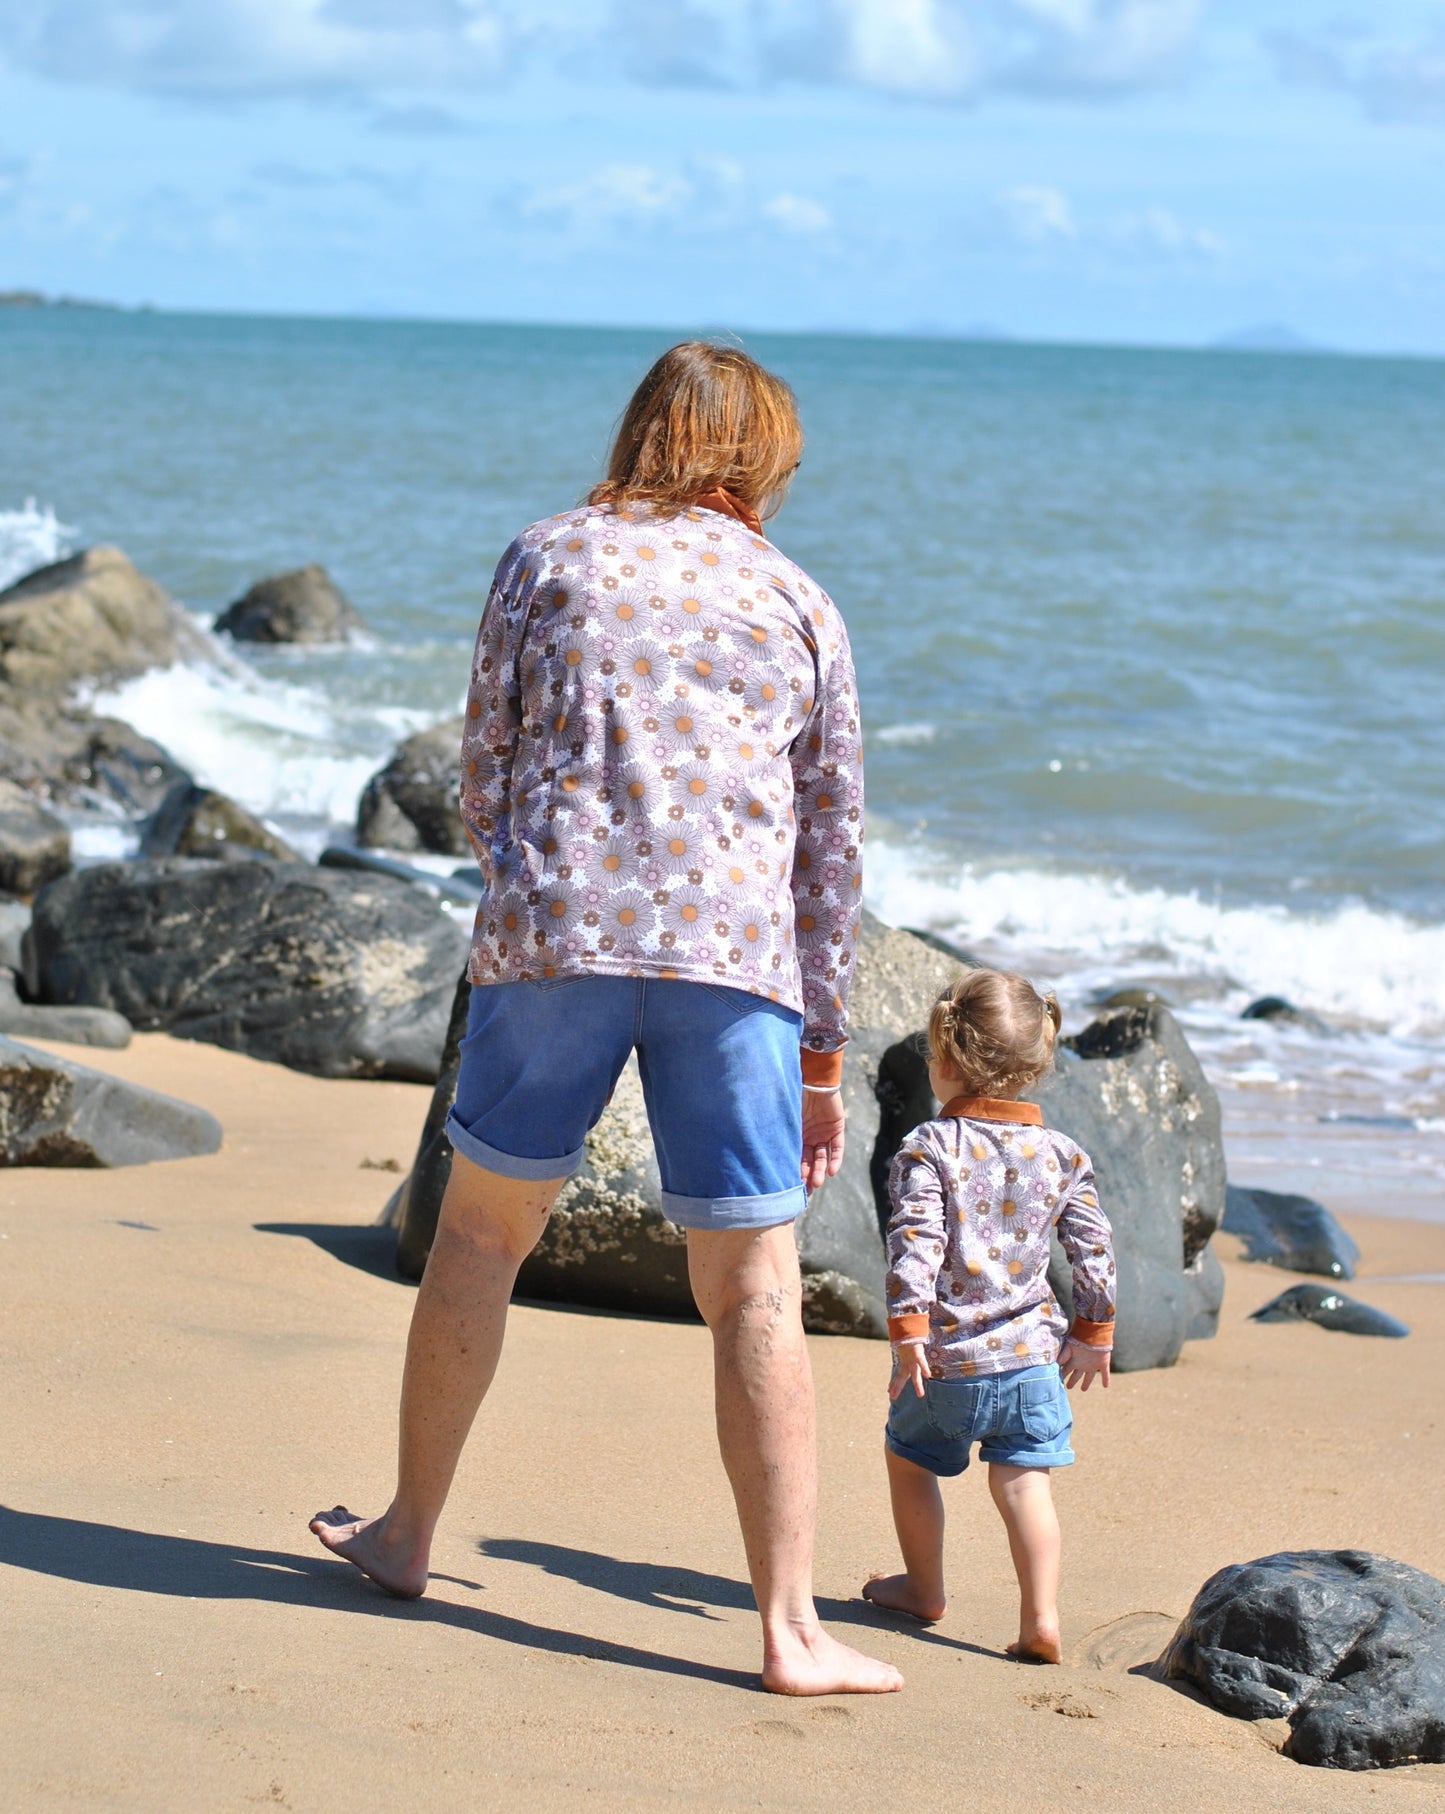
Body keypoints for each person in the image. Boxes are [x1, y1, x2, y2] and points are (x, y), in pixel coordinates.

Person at [311, 340, 902, 1697]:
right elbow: (829, 844)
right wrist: (824, 1048)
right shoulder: (796, 597)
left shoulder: (548, 554)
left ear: (643, 430)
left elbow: (486, 755)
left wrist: (530, 880)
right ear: (756, 457)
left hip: (556, 935)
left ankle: (407, 1533)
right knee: (751, 1286)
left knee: (476, 1234)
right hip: (731, 959)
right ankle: (789, 1629)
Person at [862, 968, 1115, 1663]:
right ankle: (1041, 1617)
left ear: (941, 1059)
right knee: (1023, 1481)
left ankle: (923, 1588)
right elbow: (1092, 1246)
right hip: (1032, 1361)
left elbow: (914, 1241)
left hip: (943, 1364)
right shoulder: (1062, 1154)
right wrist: (1092, 1332)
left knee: (909, 1461)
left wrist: (908, 1327)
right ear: (1037, 1062)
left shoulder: (928, 1147)